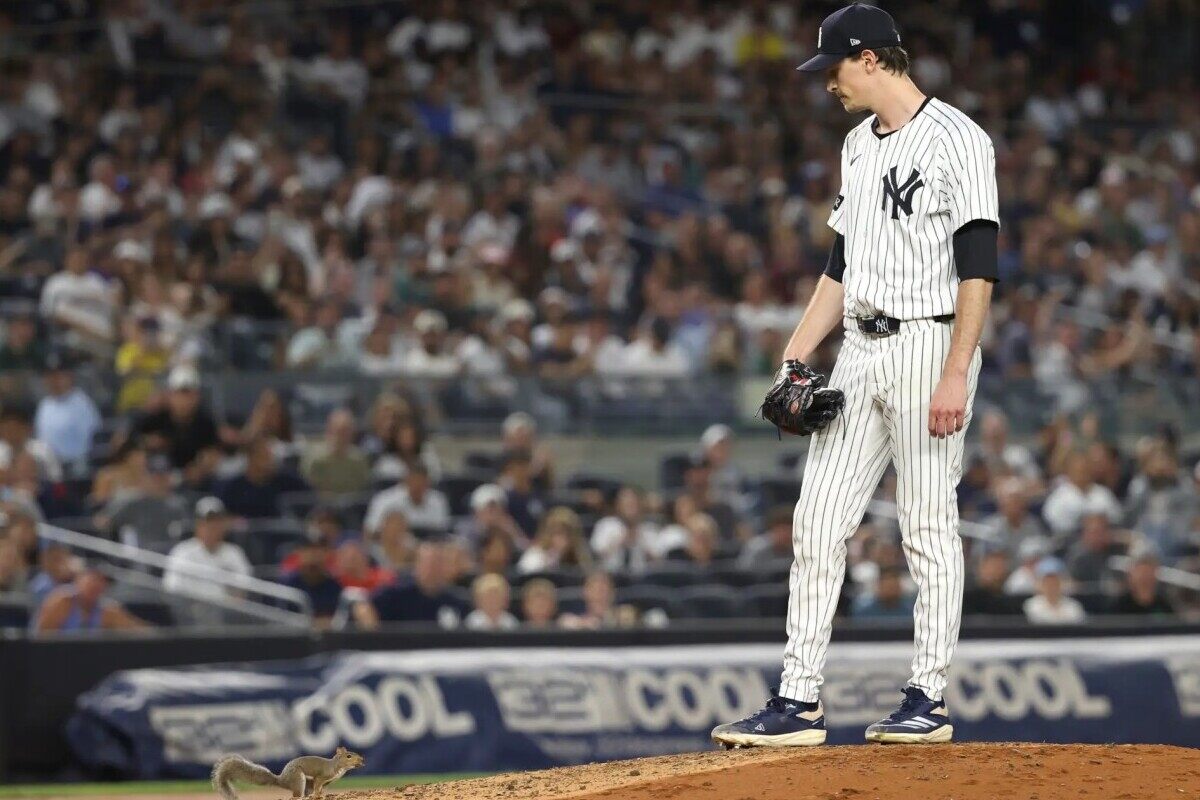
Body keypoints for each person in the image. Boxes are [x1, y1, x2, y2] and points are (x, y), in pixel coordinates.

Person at [715, 4, 1000, 748]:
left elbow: (979, 269)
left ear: (871, 59)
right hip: (861, 350)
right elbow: (839, 268)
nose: (828, 84)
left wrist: (955, 373)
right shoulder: (855, 146)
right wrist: (794, 356)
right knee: (816, 521)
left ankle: (927, 697)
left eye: (834, 67)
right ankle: (798, 700)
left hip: (927, 346)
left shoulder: (959, 140)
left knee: (926, 526)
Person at [128, 365, 221, 484]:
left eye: (189, 394)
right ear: (170, 395)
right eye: (180, 394)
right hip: (155, 477)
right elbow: (129, 442)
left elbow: (213, 451)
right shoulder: (155, 418)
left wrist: (202, 467)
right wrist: (148, 442)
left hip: (193, 479)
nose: (184, 400)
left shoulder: (205, 422)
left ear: (197, 396)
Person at [162, 497, 253, 610]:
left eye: (216, 522)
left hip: (227, 615)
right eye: (206, 523)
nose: (211, 528)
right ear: (197, 526)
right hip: (191, 614)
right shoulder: (182, 552)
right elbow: (172, 589)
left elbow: (243, 590)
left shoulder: (234, 552)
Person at [352, 542, 464, 628]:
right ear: (416, 565)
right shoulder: (396, 593)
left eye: (437, 563)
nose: (432, 569)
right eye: (428, 563)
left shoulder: (456, 600)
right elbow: (363, 607)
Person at [96, 452, 190, 550]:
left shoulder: (179, 503)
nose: (158, 481)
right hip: (141, 556)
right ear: (146, 477)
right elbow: (102, 522)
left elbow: (187, 532)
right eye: (154, 477)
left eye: (162, 477)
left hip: (171, 557)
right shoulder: (132, 501)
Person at [34, 352, 102, 470]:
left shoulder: (82, 403)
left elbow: (93, 440)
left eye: (58, 376)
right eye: (50, 376)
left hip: (77, 466)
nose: (54, 381)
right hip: (48, 468)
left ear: (70, 376)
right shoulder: (44, 405)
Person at [214, 437, 309, 519]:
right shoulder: (233, 488)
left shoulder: (288, 482)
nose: (270, 460)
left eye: (271, 455)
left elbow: (308, 501)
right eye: (264, 456)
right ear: (251, 457)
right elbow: (223, 515)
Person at [33, 567, 150, 633]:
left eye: (103, 581)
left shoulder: (107, 610)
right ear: (79, 579)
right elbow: (41, 636)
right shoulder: (63, 600)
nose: (98, 584)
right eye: (94, 579)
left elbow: (138, 630)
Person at [364, 461, 451, 537]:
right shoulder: (384, 500)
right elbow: (370, 533)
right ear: (406, 481)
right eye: (414, 482)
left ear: (428, 483)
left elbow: (442, 533)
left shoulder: (438, 500)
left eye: (422, 483)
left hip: (428, 551)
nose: (417, 487)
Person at [301, 408, 372, 497]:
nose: (342, 436)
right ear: (329, 430)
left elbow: (363, 488)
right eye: (339, 431)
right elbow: (306, 487)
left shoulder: (359, 460)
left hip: (351, 506)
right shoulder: (315, 458)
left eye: (346, 431)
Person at [280, 532, 343, 627]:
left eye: (320, 549)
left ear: (328, 553)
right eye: (308, 549)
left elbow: (339, 622)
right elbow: (279, 621)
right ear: (298, 552)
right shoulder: (286, 586)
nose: (314, 554)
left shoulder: (335, 586)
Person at [516, 506, 591, 574]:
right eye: (558, 533)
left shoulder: (581, 557)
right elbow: (526, 577)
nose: (562, 539)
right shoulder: (534, 555)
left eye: (567, 534)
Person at [1108, 552, 1177, 616]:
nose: (1145, 579)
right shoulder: (1119, 606)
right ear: (1131, 577)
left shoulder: (1164, 605)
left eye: (1148, 574)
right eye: (1141, 574)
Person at [1022, 557, 1087, 624]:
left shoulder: (1074, 607)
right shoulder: (1031, 605)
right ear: (1039, 584)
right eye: (1047, 582)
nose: (1051, 586)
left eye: (1055, 582)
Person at [961, 551, 1022, 616]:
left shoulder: (1010, 603)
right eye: (992, 566)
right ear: (981, 568)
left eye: (1000, 567)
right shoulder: (965, 598)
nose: (995, 573)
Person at [852, 566, 916, 619]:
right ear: (879, 587)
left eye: (892, 586)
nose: (890, 590)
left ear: (899, 587)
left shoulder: (911, 612)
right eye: (887, 586)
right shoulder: (864, 613)